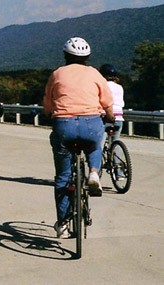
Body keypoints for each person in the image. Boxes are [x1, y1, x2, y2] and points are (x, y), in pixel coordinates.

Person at [43, 37, 115, 238]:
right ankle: (93, 172)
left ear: (66, 55)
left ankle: (63, 224)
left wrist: (49, 115)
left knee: (63, 177)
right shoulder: (95, 73)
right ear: (87, 57)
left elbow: (48, 103)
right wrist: (109, 116)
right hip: (90, 122)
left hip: (63, 125)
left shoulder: (57, 74)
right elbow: (107, 101)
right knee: (94, 145)